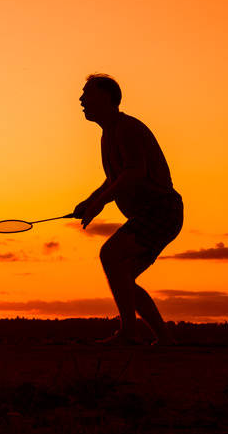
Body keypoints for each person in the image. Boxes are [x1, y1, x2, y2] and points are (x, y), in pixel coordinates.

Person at [73, 74, 182, 345]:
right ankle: (164, 339)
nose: (81, 100)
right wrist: (91, 201)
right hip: (153, 213)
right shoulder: (109, 133)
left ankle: (128, 334)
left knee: (110, 255)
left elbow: (134, 172)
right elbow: (116, 179)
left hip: (160, 211)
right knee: (124, 277)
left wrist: (99, 202)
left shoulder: (126, 128)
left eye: (87, 94)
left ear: (107, 98)